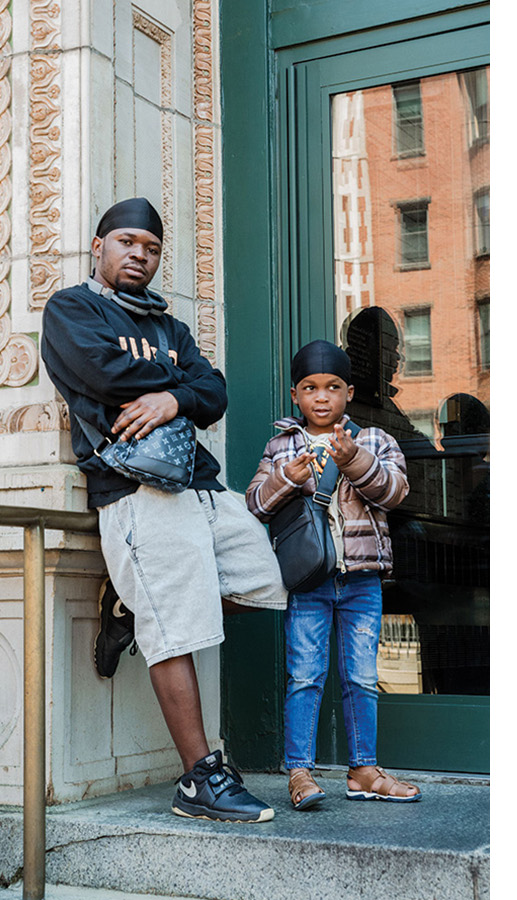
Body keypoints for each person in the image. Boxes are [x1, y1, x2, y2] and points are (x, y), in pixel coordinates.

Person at [39, 198, 284, 822]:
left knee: (269, 580)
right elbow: (102, 371)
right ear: (99, 247)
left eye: (150, 248)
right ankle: (199, 778)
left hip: (199, 484)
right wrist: (181, 390)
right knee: (176, 628)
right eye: (127, 242)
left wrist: (173, 401)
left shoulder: (171, 328)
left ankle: (128, 605)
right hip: (135, 488)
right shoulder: (72, 308)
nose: (139, 256)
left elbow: (216, 392)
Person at [244, 339, 416, 809]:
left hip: (362, 581)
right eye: (311, 388)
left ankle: (364, 770)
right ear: (295, 395)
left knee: (360, 677)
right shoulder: (279, 445)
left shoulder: (376, 440)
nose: (322, 397)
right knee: (305, 676)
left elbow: (395, 493)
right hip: (309, 581)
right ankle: (299, 773)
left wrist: (353, 460)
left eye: (333, 387)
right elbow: (254, 503)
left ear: (350, 392)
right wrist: (287, 479)